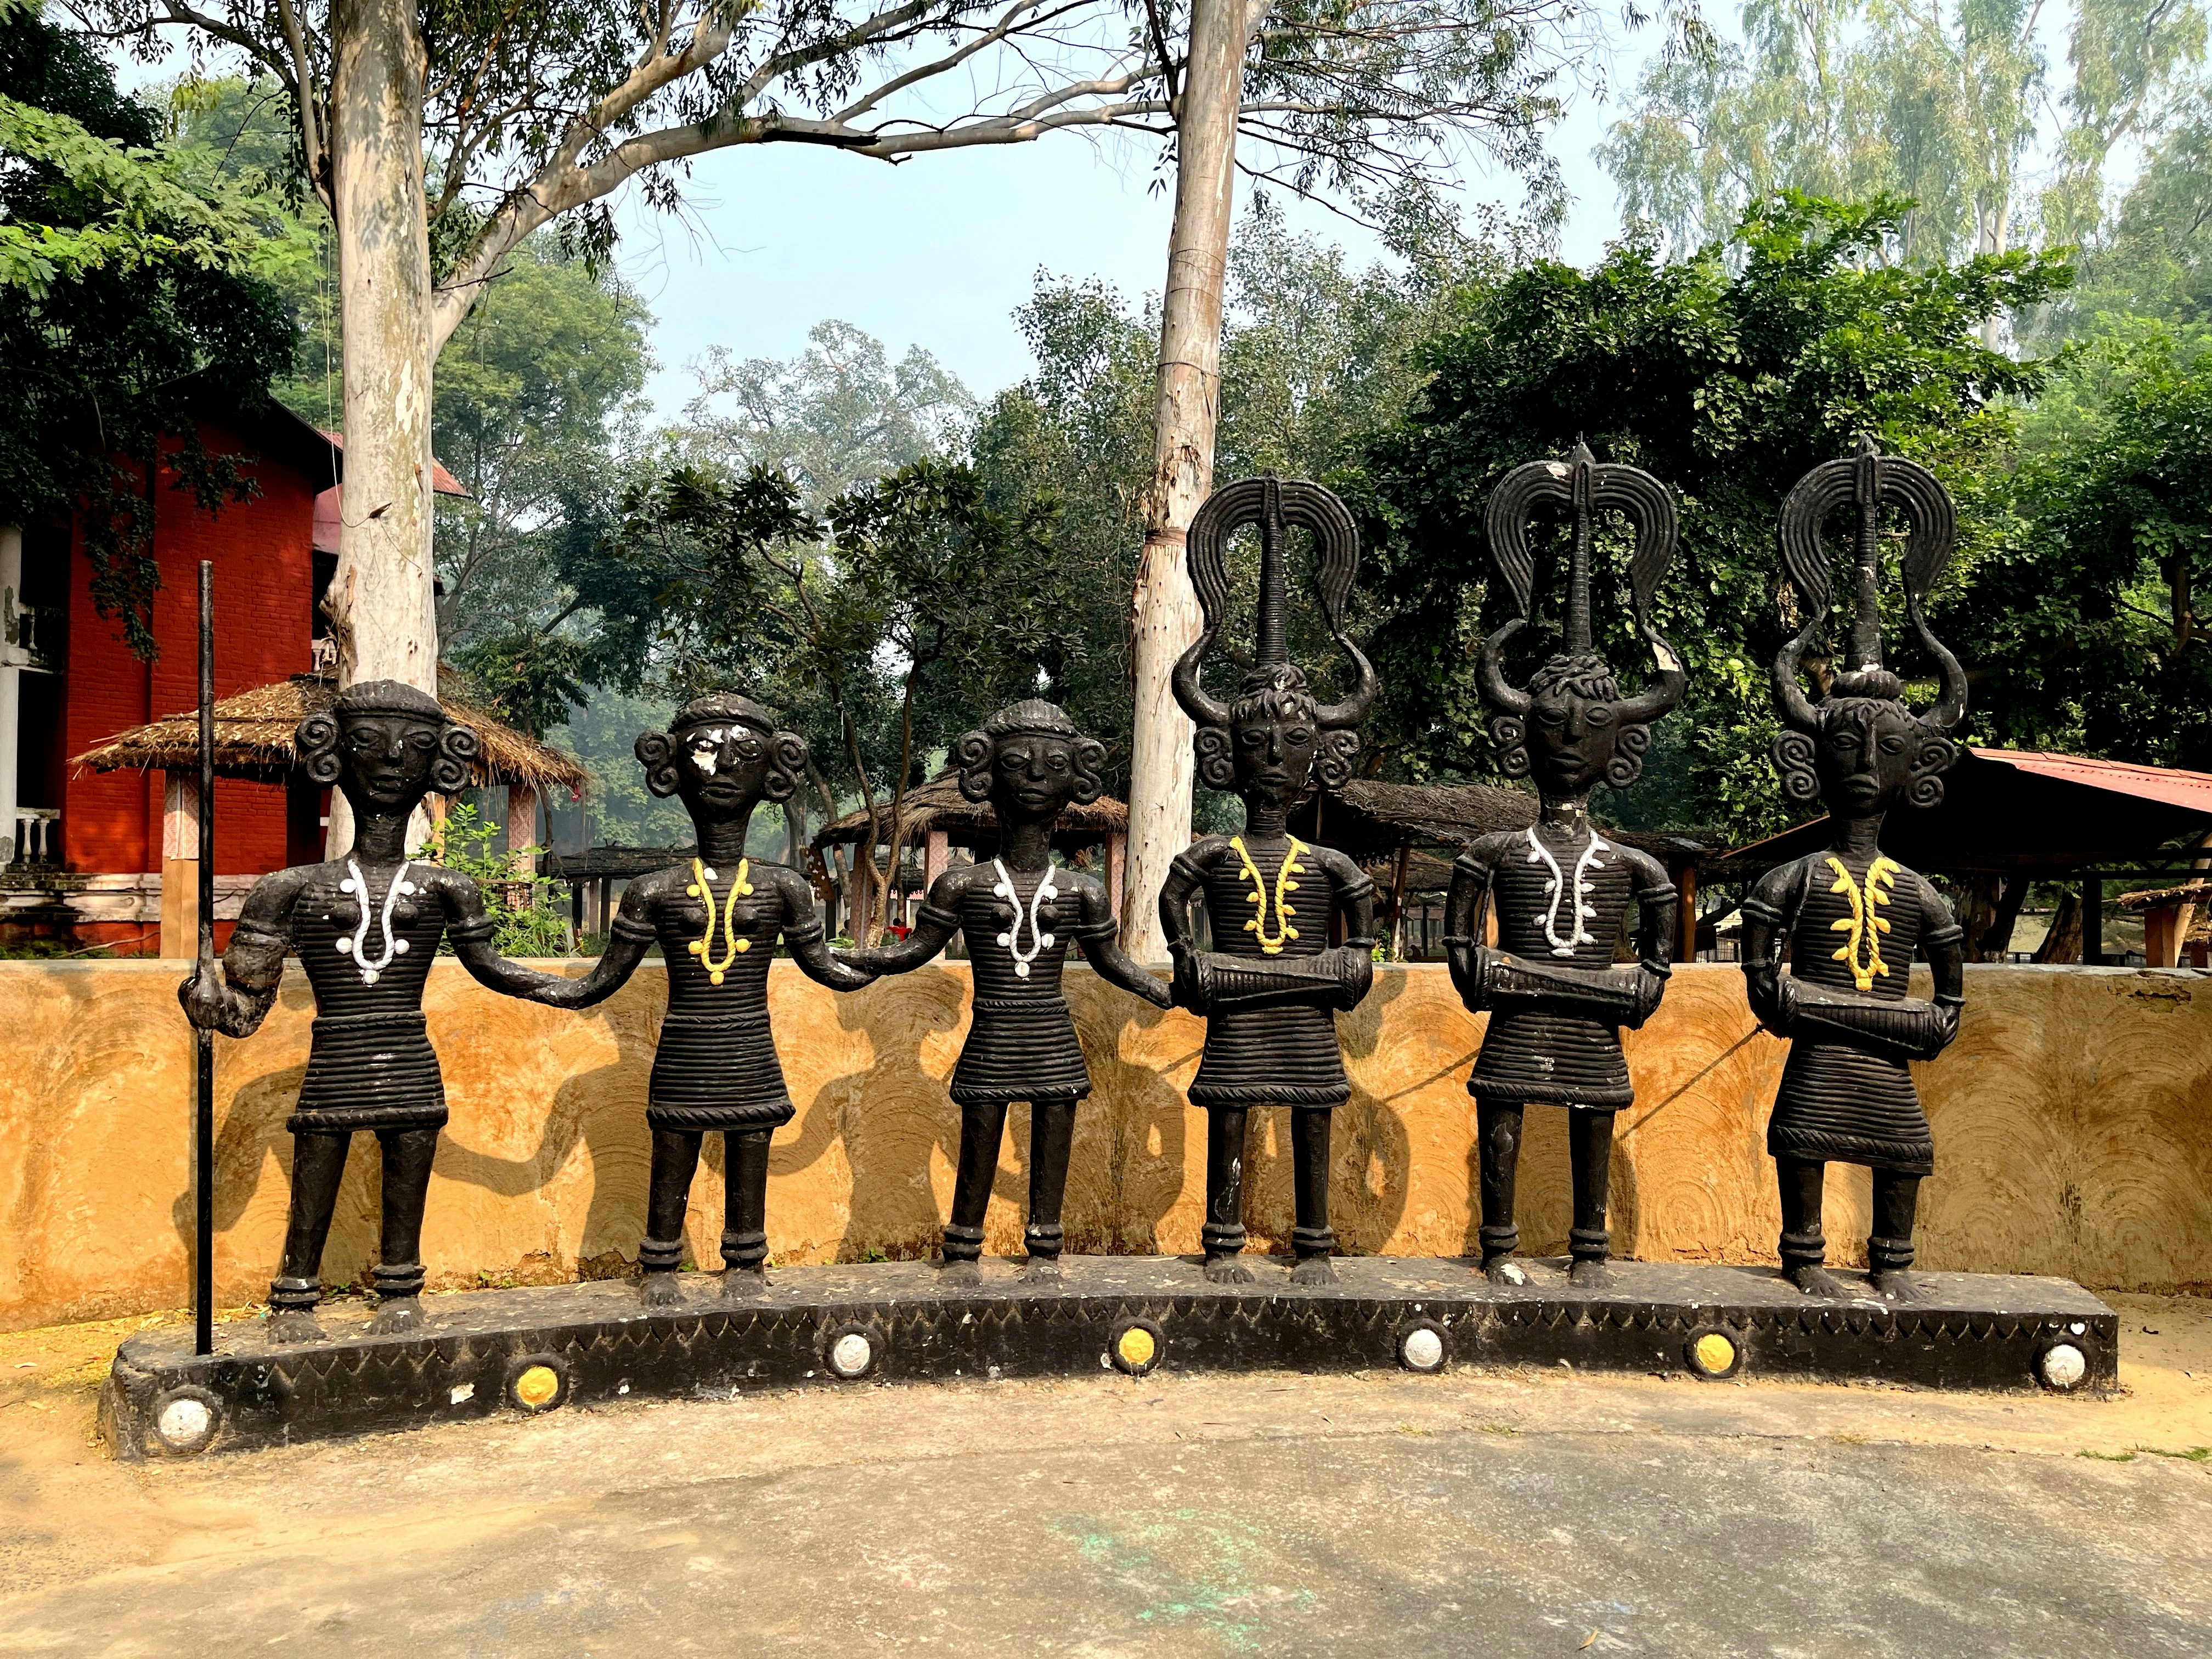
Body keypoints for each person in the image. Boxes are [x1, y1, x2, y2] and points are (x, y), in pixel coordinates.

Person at [179, 682, 586, 1342]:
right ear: (334, 755)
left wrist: (581, 988)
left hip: (409, 1061)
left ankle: (400, 1289)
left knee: (408, 1179)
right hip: (334, 1059)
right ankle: (295, 1295)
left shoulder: (446, 888)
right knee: (315, 1173)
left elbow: (493, 969)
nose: (394, 759)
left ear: (439, 767)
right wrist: (206, 1003)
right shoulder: (289, 890)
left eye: (416, 747)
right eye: (371, 742)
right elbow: (246, 1010)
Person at [535, 692, 875, 1305]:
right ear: (672, 771)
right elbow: (595, 984)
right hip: (686, 1049)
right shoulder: (656, 891)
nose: (720, 771)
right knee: (675, 1142)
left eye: (741, 756)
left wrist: (904, 953)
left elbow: (829, 969)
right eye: (704, 754)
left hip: (749, 1047)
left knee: (751, 1143)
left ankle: (746, 1262)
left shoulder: (783, 888)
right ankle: (660, 1264)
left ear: (771, 773)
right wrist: (509, 974)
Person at [1444, 445, 1685, 1290]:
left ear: (1623, 749)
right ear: (1521, 738)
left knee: (1594, 1121)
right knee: (1502, 1120)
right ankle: (1499, 1245)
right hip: (1523, 1026)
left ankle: (1591, 1249)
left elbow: (1654, 978)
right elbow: (1471, 969)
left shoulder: (1634, 866)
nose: (1572, 737)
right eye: (1554, 725)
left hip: (1577, 1025)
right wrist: (1594, 986)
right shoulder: (1492, 854)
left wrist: (1534, 979)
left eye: (1591, 726)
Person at [1741, 439, 1969, 1303]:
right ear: (1810, 760)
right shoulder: (1790, 882)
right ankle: (1802, 1260)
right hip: (1832, 1051)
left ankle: (1893, 1267)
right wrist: (1868, 1014)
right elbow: (1764, 990)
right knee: (1802, 1135)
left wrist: (1831, 1007)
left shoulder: (1922, 895)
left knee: (1902, 1148)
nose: (1868, 758)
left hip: (1871, 1053)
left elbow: (1946, 1012)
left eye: (1889, 746)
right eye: (1847, 742)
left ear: (1922, 766)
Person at [840, 700, 1170, 1284]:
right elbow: (915, 951)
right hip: (993, 1033)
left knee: (1052, 1140)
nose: (1037, 776)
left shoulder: (1081, 892)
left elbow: (1111, 962)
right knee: (981, 1138)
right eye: (1019, 763)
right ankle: (963, 1249)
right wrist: (861, 961)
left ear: (1077, 779)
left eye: (1053, 764)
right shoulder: (962, 884)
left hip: (1051, 1035)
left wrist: (1165, 991)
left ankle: (1044, 1250)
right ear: (986, 776)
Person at [1156, 477, 1381, 1286]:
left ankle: (1313, 1241)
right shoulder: (1218, 854)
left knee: (1315, 1111)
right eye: (1261, 743)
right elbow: (1175, 892)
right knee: (1230, 1109)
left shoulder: (1328, 865)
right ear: (1226, 757)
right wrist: (1186, 953)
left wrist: (1358, 957)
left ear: (1320, 758)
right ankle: (1223, 1240)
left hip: (1296, 1012)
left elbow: (1361, 920)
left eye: (1294, 742)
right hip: (1249, 1011)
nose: (1277, 756)